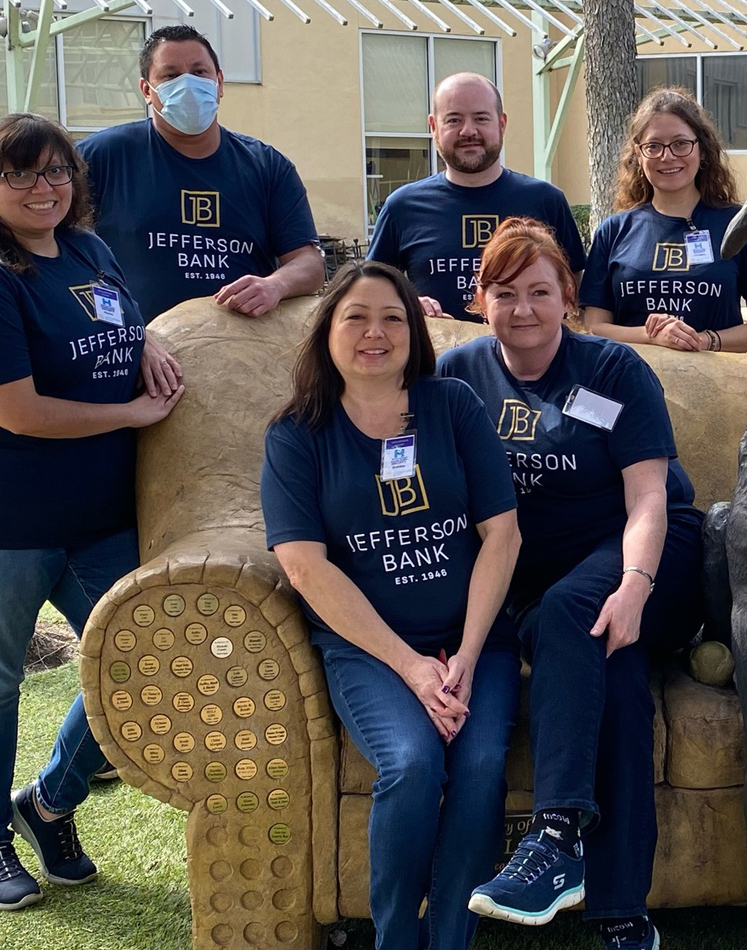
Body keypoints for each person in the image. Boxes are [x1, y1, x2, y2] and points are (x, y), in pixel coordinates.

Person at [0, 113, 184, 911]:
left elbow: (114, 325)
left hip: (93, 510)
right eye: (22, 174)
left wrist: (147, 345)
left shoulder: (87, 249)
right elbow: (20, 411)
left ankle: (51, 800)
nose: (44, 188)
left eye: (57, 171)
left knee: (145, 654)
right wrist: (135, 416)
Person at [440, 218, 704, 950]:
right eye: (504, 292)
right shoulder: (456, 378)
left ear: (567, 298)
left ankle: (555, 838)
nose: (522, 308)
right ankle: (621, 912)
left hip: (648, 552)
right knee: (611, 677)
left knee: (571, 613)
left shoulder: (615, 371)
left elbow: (650, 498)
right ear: (478, 297)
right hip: (536, 579)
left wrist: (635, 585)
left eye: (538, 291)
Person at [259, 260, 522, 950]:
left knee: (482, 762)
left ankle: (450, 937)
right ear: (327, 332)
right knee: (409, 761)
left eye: (392, 318)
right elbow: (304, 566)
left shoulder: (453, 406)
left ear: (414, 331)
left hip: (476, 642)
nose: (375, 333)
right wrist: (411, 667)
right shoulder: (296, 435)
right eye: (356, 317)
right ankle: (394, 938)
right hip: (369, 650)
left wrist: (462, 658)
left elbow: (502, 533)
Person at [78, 25, 324, 320]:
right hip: (134, 352)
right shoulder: (98, 158)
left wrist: (275, 285)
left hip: (242, 352)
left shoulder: (268, 166)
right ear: (146, 90)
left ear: (219, 83)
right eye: (171, 75)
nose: (188, 84)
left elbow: (309, 263)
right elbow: (59, 250)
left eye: (199, 72)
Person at [367, 72, 587, 320]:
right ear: (433, 127)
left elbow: (576, 288)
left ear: (501, 123)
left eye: (481, 118)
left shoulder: (546, 200)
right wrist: (407, 303)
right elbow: (371, 290)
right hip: (434, 356)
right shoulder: (402, 207)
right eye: (453, 120)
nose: (468, 131)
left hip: (532, 357)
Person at [581, 88, 747, 353]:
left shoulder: (739, 225)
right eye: (653, 146)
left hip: (717, 385)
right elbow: (594, 327)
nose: (667, 156)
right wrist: (651, 335)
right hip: (628, 384)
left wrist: (702, 341)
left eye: (680, 143)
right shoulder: (613, 231)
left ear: (702, 150)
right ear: (638, 154)